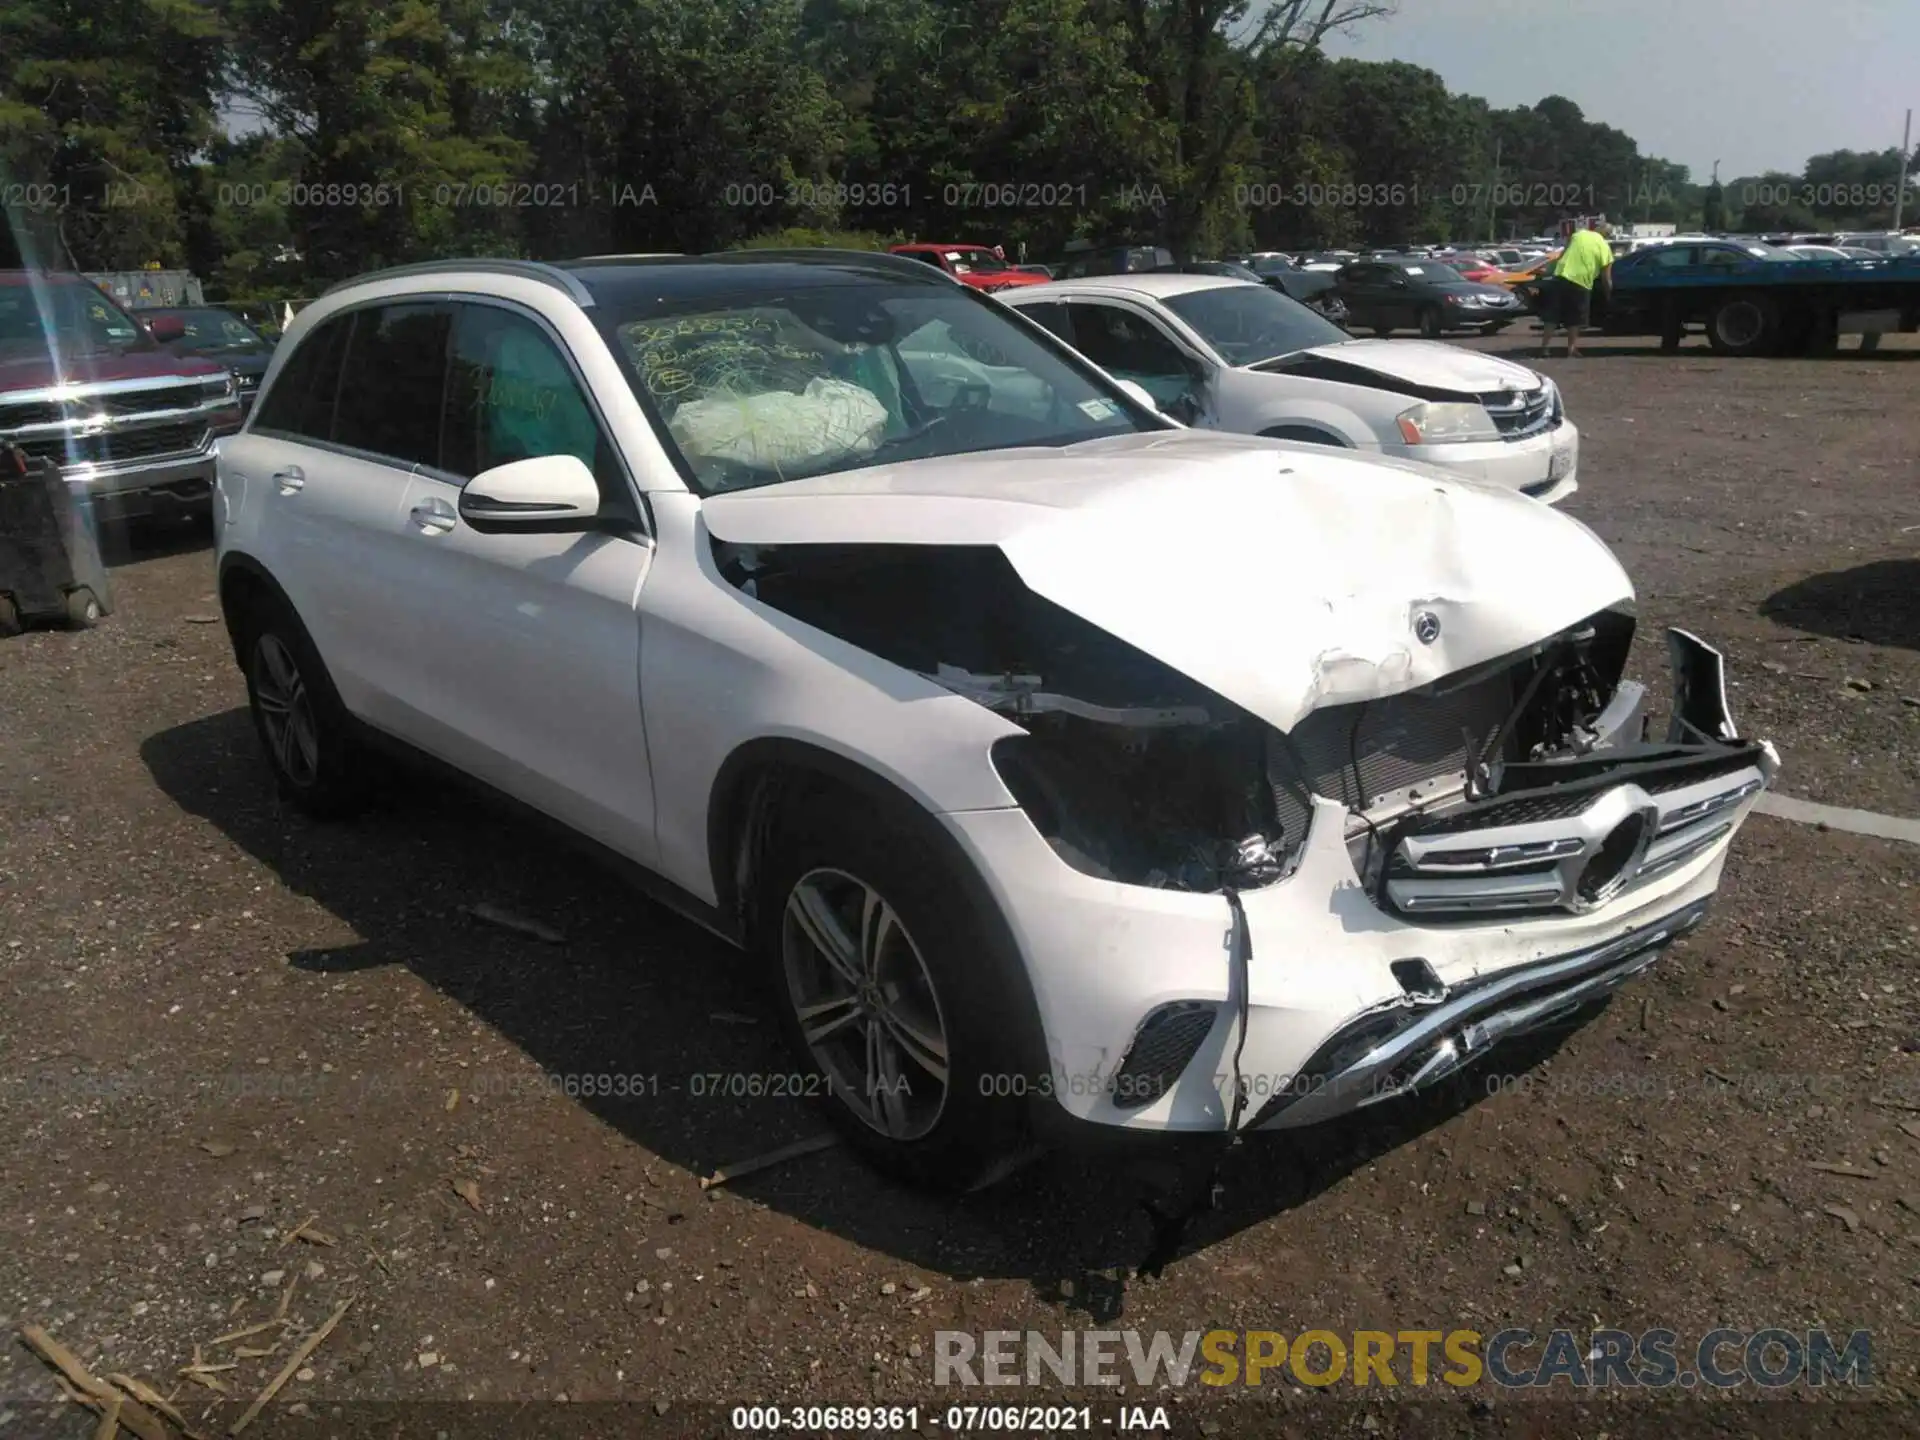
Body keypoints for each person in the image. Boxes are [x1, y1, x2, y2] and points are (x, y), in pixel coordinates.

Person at [1538, 219, 1613, 358]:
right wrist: (1609, 295)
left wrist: (1548, 272)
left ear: (1596, 229)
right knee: (1575, 320)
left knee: (1552, 317)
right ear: (1607, 235)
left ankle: (1544, 348)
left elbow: (1562, 255)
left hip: (1561, 277)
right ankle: (1571, 349)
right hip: (1581, 283)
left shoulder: (1578, 234)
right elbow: (1606, 278)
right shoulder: (1606, 249)